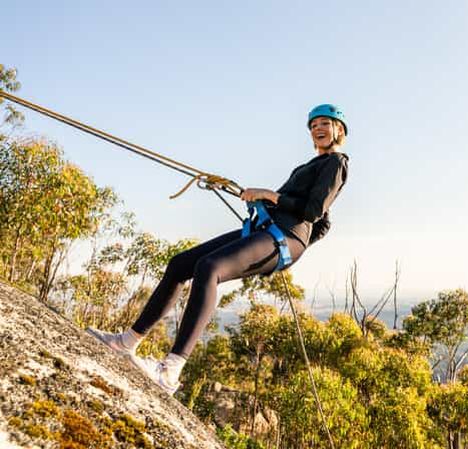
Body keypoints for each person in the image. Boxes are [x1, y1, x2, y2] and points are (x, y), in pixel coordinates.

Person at [87, 104, 349, 395]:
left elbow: (313, 212)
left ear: (339, 130)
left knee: (209, 268)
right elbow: (324, 223)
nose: (319, 129)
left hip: (283, 237)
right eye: (314, 126)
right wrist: (270, 228)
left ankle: (170, 372)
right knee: (180, 264)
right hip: (270, 232)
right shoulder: (310, 166)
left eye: (326, 123)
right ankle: (126, 343)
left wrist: (287, 240)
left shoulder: (336, 163)